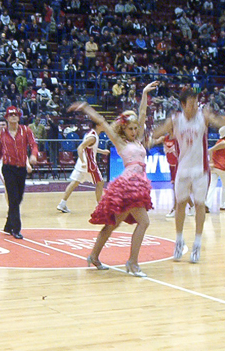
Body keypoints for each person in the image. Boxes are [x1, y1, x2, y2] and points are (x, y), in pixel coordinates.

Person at [68, 81, 159, 277]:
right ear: (123, 130)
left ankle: (94, 256)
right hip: (129, 185)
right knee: (143, 222)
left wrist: (144, 93)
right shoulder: (119, 142)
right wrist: (85, 108)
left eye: (136, 128)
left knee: (112, 224)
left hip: (138, 184)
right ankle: (132, 263)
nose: (134, 131)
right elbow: (102, 121)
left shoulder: (138, 139)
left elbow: (142, 114)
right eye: (131, 129)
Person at [153, 87, 225, 263]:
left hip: (200, 170)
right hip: (183, 169)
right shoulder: (175, 120)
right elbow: (157, 132)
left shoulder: (203, 117)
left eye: (196, 103)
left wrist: (214, 118)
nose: (195, 107)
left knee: (200, 205)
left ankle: (197, 243)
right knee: (180, 205)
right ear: (183, 104)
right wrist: (154, 133)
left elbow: (223, 125)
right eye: (191, 104)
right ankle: (179, 240)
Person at [0, 107, 38, 239]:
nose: (13, 117)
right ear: (6, 118)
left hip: (21, 168)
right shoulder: (1, 134)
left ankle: (8, 224)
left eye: (15, 115)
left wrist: (33, 155)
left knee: (18, 198)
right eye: (11, 115)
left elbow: (33, 145)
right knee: (12, 197)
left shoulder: (26, 130)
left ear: (19, 117)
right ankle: (16, 228)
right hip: (8, 168)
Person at [57, 121, 110, 213]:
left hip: (82, 165)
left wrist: (102, 151)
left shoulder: (91, 134)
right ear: (98, 125)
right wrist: (83, 161)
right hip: (89, 165)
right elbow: (80, 148)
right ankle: (100, 206)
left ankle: (62, 203)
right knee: (100, 182)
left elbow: (90, 148)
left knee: (74, 183)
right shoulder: (92, 137)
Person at [154, 133, 194, 218]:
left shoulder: (179, 138)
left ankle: (175, 209)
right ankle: (192, 206)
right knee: (180, 189)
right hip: (171, 166)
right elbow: (154, 141)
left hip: (180, 165)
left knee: (176, 188)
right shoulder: (164, 138)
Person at [205, 125, 225, 212]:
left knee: (212, 186)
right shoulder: (223, 143)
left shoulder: (220, 141)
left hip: (215, 168)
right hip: (221, 166)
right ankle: (223, 204)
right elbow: (210, 150)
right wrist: (211, 162)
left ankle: (207, 204)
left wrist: (212, 162)